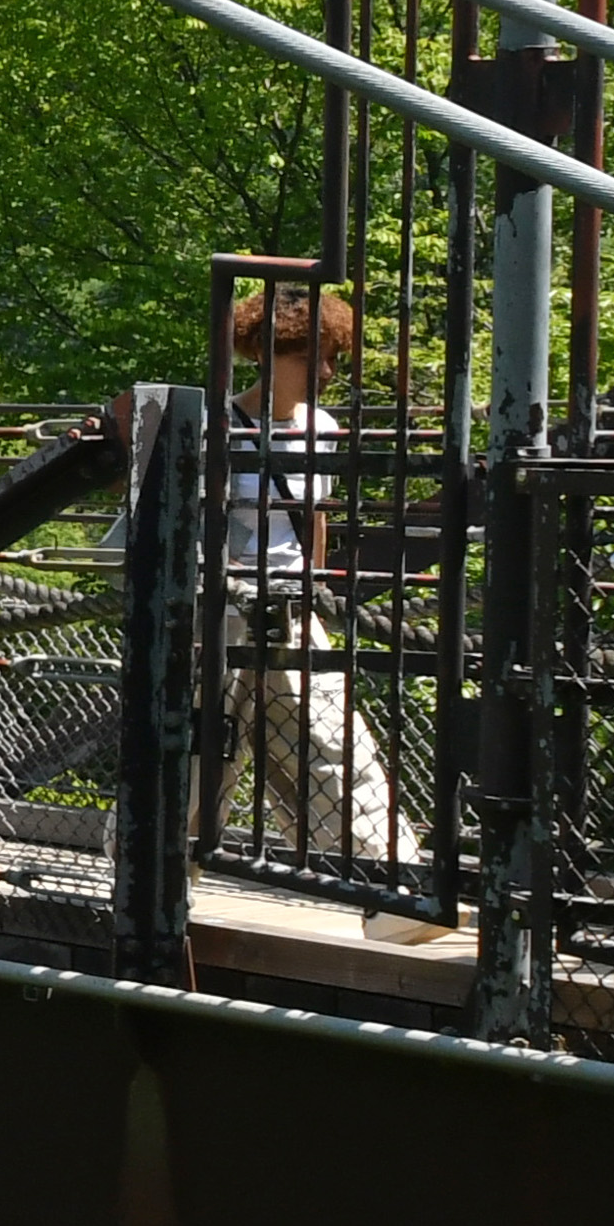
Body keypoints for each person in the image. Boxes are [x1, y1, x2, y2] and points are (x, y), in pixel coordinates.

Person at [222, 282, 412, 892]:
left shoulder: (321, 427)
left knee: (336, 749)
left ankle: (393, 887)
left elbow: (316, 521)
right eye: (316, 357)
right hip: (221, 620)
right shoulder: (216, 426)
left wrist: (316, 597)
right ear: (272, 352)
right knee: (201, 760)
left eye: (332, 356)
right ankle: (147, 878)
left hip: (291, 612)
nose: (329, 372)